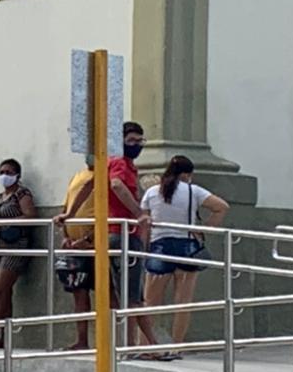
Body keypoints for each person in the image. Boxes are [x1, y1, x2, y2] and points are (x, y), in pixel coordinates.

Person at [55, 121, 160, 350]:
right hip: (123, 234)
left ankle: (130, 343)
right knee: (133, 297)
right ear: (120, 142)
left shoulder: (111, 163)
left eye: (139, 141)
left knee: (119, 294)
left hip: (113, 235)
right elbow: (116, 185)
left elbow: (88, 186)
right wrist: (139, 213)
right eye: (131, 141)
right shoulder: (120, 163)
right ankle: (151, 346)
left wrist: (70, 213)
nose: (136, 145)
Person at [141, 156, 230, 349]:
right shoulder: (193, 191)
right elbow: (221, 207)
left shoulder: (152, 192)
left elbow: (145, 222)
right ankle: (177, 345)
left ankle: (145, 345)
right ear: (187, 174)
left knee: (150, 301)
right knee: (183, 302)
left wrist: (144, 247)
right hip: (186, 247)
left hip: (160, 246)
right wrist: (204, 229)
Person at [0, 159, 37, 349]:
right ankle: (4, 337)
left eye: (8, 171)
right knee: (3, 293)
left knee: (0, 289)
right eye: (2, 171)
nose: (4, 175)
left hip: (16, 246)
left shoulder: (22, 194)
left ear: (17, 174)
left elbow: (30, 216)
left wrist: (10, 222)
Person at [55, 157, 96, 350]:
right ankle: (82, 340)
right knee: (79, 292)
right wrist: (66, 236)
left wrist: (89, 240)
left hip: (94, 245)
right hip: (74, 247)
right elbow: (67, 209)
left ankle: (114, 341)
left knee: (110, 293)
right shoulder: (78, 177)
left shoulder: (106, 176)